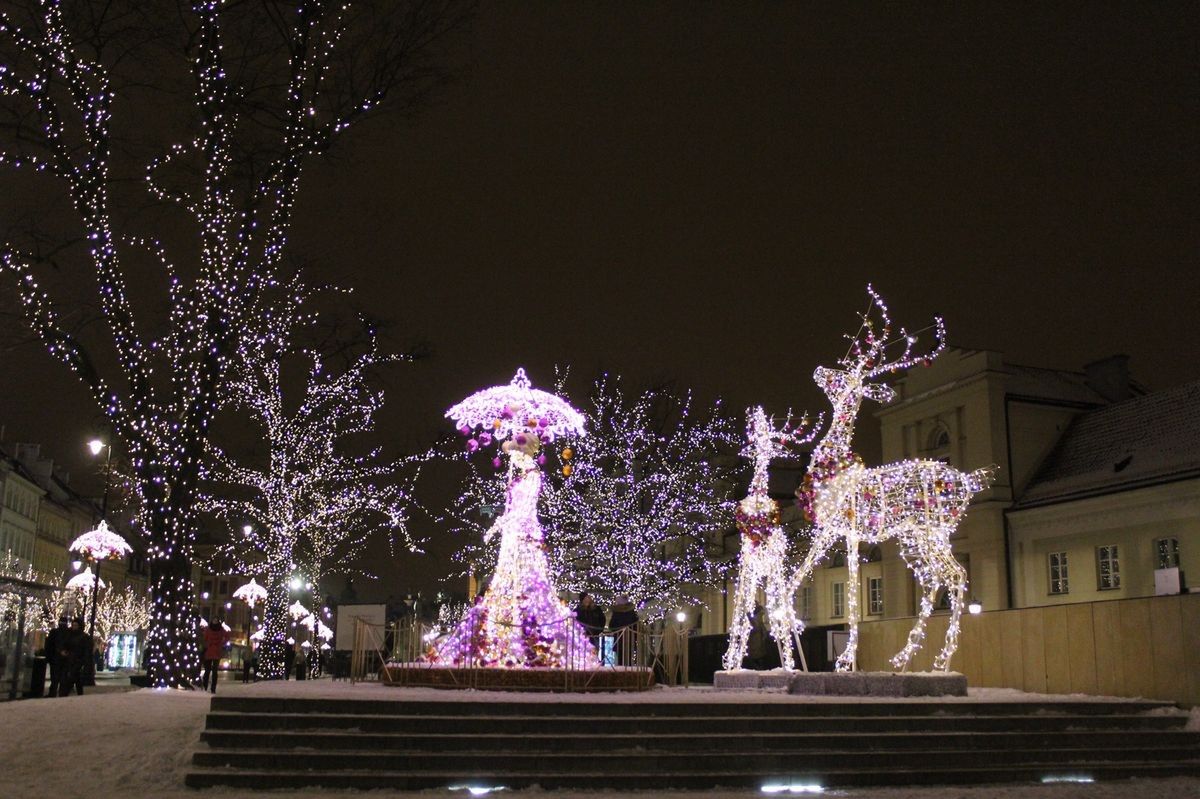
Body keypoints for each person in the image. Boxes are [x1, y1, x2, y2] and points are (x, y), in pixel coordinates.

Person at [58, 618, 89, 696]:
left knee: (72, 678)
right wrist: (63, 651)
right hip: (69, 659)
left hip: (77, 660)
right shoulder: (69, 635)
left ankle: (65, 693)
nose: (74, 627)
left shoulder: (84, 637)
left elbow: (86, 651)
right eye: (73, 625)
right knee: (73, 678)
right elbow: (64, 645)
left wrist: (83, 662)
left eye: (76, 625)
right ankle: (71, 693)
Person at [201, 618, 229, 694]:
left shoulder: (208, 629)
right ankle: (211, 688)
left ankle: (206, 687)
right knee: (212, 671)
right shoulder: (220, 629)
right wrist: (221, 643)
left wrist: (207, 644)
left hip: (211, 651)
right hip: (215, 652)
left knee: (209, 671)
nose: (215, 621)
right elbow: (227, 636)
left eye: (215, 620)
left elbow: (204, 638)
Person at [608, 595, 638, 667]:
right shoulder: (631, 613)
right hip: (628, 638)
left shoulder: (617, 613)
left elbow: (612, 626)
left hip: (621, 638)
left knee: (621, 659)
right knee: (628, 659)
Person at [45, 616, 68, 698]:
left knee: (55, 677)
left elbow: (49, 645)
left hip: (56, 659)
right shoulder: (67, 632)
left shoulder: (54, 632)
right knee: (61, 677)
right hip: (60, 659)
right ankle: (60, 693)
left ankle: (53, 693)